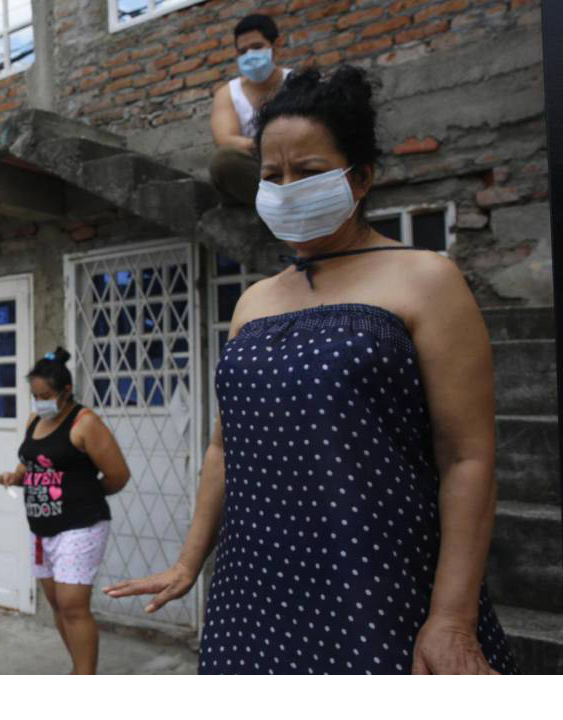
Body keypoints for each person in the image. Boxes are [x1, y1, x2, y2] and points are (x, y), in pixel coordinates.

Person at [105, 67, 518, 675]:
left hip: (375, 586)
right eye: (272, 176)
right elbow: (225, 449)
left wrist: (451, 617)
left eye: (310, 172)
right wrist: (190, 561)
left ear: (362, 177)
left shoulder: (426, 280)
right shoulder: (255, 300)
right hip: (253, 591)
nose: (286, 187)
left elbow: (468, 458)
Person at [0, 348, 130, 675]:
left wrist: (83, 494)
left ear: (66, 392)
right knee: (56, 604)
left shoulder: (85, 422)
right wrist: (14, 477)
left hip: (80, 525)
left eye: (46, 395)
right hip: (41, 528)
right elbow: (30, 463)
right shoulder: (35, 419)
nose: (40, 401)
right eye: (35, 395)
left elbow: (118, 475)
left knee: (73, 605)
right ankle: (77, 667)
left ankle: (84, 675)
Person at [208, 13, 292, 206]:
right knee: (225, 161)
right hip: (259, 171)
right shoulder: (228, 93)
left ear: (276, 46)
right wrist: (273, 145)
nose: (249, 56)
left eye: (257, 47)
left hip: (298, 163)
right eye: (242, 51)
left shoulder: (297, 83)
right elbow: (226, 140)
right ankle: (280, 207)